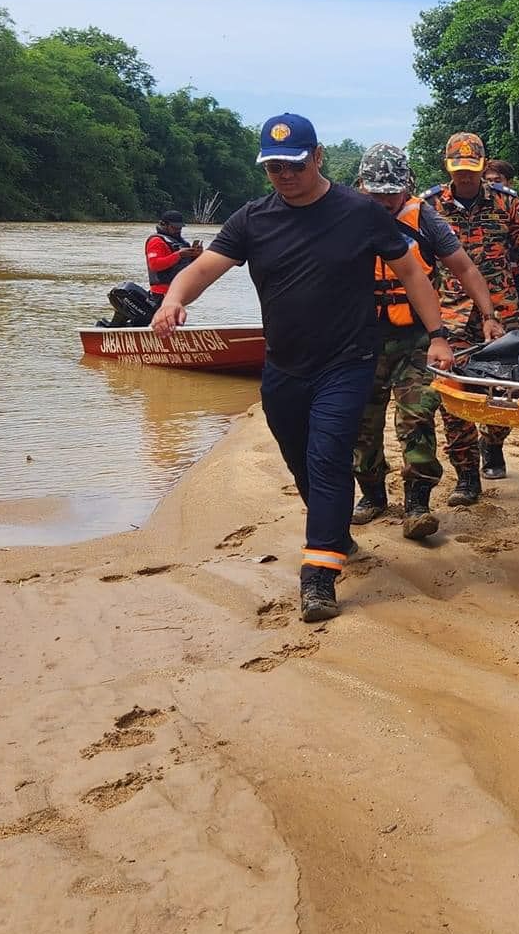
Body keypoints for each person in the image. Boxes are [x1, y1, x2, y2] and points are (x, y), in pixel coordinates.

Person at [154, 114, 455, 624]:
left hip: (347, 362)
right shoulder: (252, 219)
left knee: (328, 457)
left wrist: (439, 335)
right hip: (284, 366)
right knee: (300, 461)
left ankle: (318, 575)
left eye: (294, 164)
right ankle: (334, 533)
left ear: (317, 157)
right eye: (274, 167)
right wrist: (173, 300)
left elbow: (411, 271)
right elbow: (203, 268)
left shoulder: (360, 212)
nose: (285, 175)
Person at [351, 143, 505, 542]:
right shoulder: (343, 216)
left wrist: (488, 316)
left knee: (417, 419)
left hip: (417, 339)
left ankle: (417, 504)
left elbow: (464, 268)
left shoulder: (426, 218)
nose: (386, 201)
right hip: (360, 341)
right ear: (361, 186)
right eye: (376, 193)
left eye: (392, 192)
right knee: (361, 424)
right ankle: (372, 495)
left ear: (407, 184)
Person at [422, 133, 519, 501]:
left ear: (483, 165)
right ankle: (466, 475)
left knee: (505, 389)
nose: (465, 176)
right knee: (454, 394)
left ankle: (492, 441)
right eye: (458, 169)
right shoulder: (429, 205)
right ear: (447, 167)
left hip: (502, 313)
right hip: (452, 314)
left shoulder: (507, 203)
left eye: (472, 169)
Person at [144, 210, 203, 296]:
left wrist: (196, 255)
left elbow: (189, 265)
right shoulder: (156, 241)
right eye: (174, 227)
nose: (178, 230)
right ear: (164, 225)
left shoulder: (182, 243)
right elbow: (154, 265)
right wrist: (179, 255)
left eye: (180, 228)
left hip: (179, 289)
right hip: (162, 292)